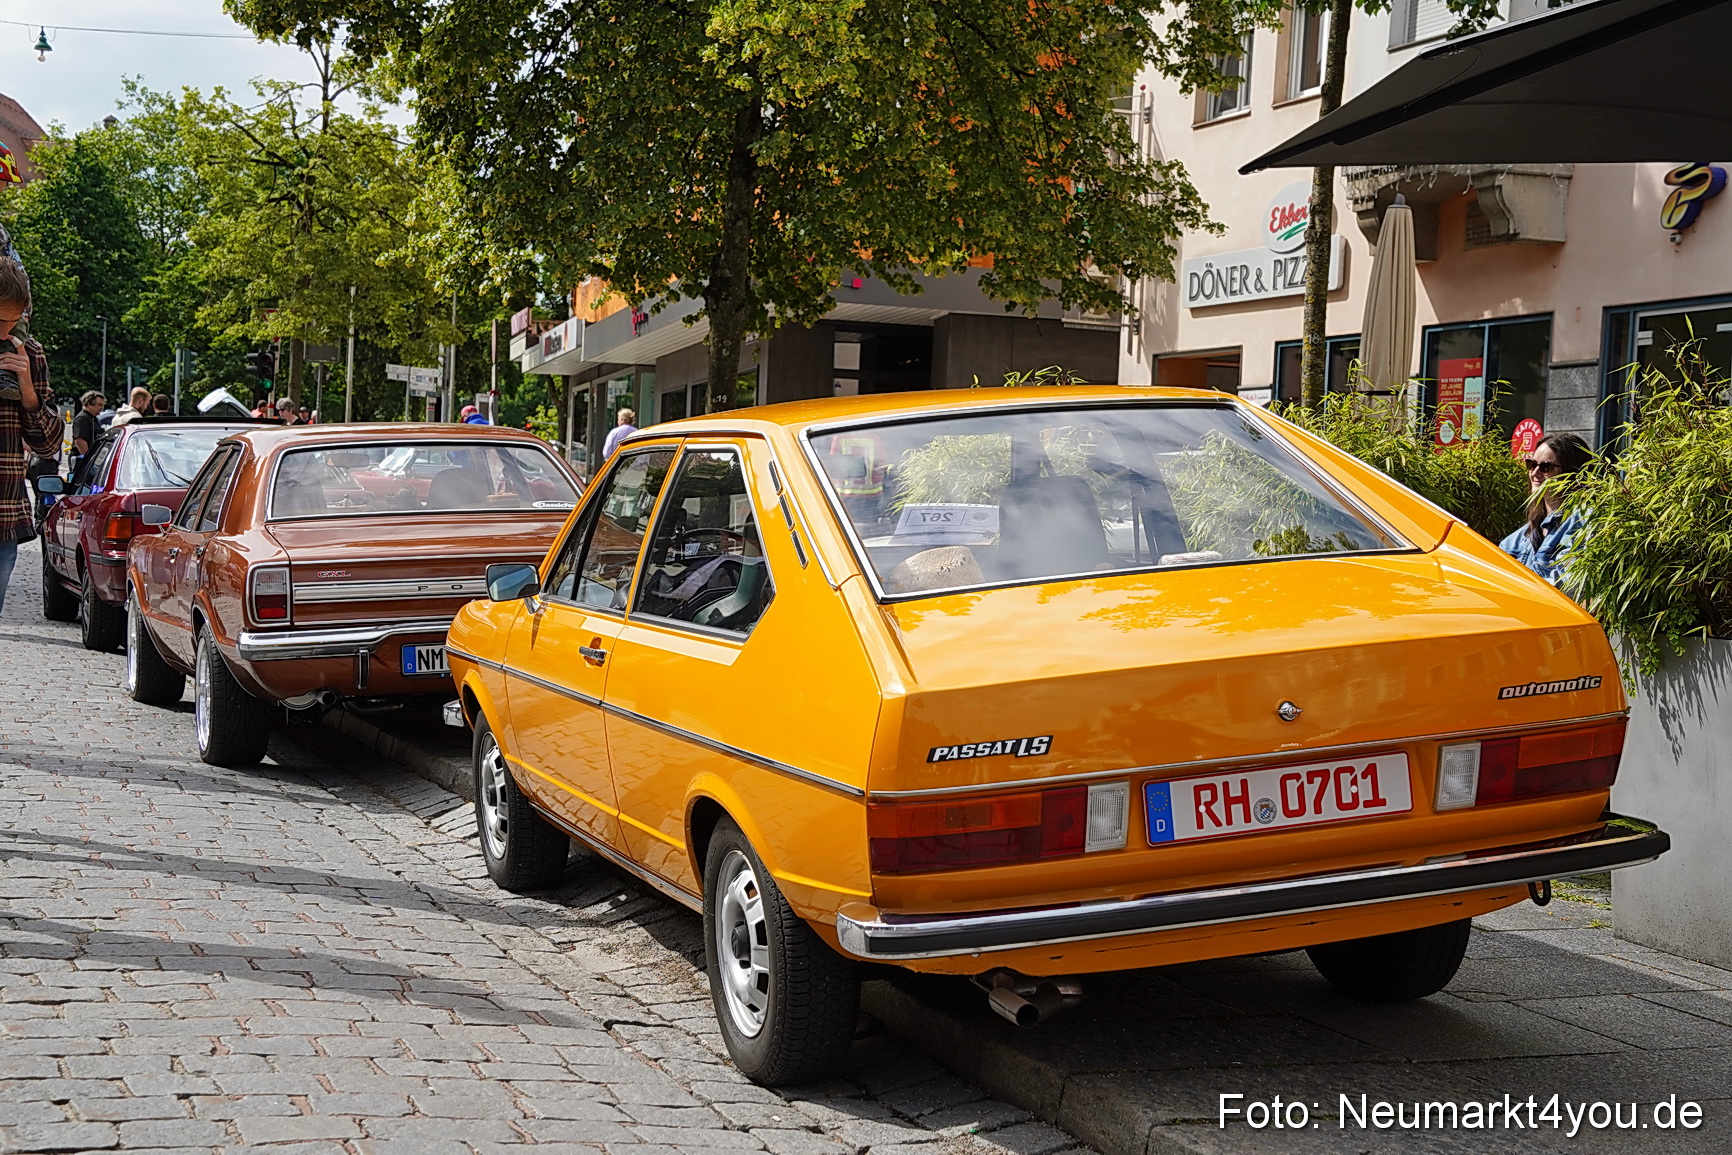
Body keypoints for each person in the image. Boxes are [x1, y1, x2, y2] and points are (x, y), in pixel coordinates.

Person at [0, 259, 62, 614]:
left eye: (14, 321)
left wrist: (27, 391)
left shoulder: (29, 352)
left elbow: (48, 445)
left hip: (4, 514)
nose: (6, 332)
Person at [1500, 432, 1593, 585]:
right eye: (1531, 465)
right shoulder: (1518, 539)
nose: (1535, 473)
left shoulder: (1583, 521)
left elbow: (1567, 584)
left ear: (1571, 472)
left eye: (1546, 467)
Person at [71, 391, 105, 474]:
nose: (102, 408)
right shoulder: (82, 418)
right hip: (83, 463)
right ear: (89, 404)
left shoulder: (92, 418)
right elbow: (80, 440)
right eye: (99, 405)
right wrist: (89, 461)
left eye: (103, 405)